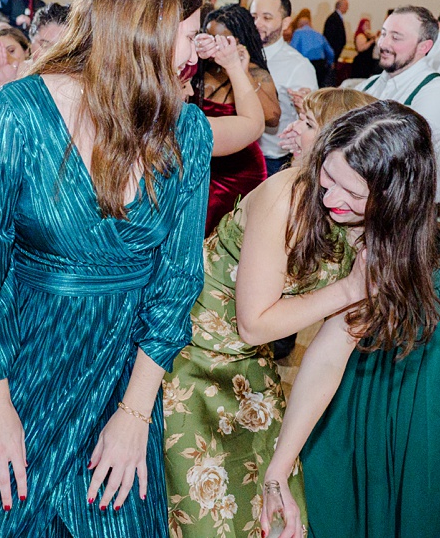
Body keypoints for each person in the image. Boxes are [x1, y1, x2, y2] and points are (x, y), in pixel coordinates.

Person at [0, 0, 234, 538]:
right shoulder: (10, 117)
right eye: (191, 35)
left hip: (120, 377)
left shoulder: (186, 129)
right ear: (145, 32)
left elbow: (178, 282)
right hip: (13, 371)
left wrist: (135, 414)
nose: (200, 53)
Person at [255, 102, 440, 538]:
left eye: (352, 193)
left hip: (435, 376)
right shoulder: (335, 194)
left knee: (409, 503)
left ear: (394, 200)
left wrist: (279, 466)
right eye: (328, 177)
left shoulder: (381, 252)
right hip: (384, 349)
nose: (331, 199)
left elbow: (332, 349)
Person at [161, 88, 376, 538]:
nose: (292, 129)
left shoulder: (364, 225)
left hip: (249, 368)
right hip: (182, 358)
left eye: (309, 123)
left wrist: (281, 467)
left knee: (271, 507)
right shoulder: (287, 193)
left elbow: (331, 355)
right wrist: (350, 288)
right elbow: (254, 321)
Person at [352, 6, 440, 200]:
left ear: (423, 47)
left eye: (396, 37)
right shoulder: (371, 83)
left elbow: (406, 152)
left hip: (407, 209)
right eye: (383, 34)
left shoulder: (437, 91)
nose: (383, 44)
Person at [193, 5, 278, 234]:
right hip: (200, 162)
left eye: (222, 41)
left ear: (239, 41)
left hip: (238, 169)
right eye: (209, 36)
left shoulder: (252, 72)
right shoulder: (196, 68)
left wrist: (241, 71)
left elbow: (272, 118)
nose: (214, 45)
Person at [252, 0, 319, 176]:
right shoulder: (240, 54)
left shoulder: (299, 66)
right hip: (238, 152)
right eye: (254, 16)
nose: (257, 24)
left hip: (273, 160)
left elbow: (313, 120)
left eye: (267, 17)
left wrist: (304, 106)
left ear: (286, 23)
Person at [322, 0, 350, 72]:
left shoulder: (336, 18)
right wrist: (332, 57)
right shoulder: (333, 18)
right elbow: (330, 38)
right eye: (346, 5)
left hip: (334, 53)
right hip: (332, 53)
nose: (348, 8)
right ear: (341, 6)